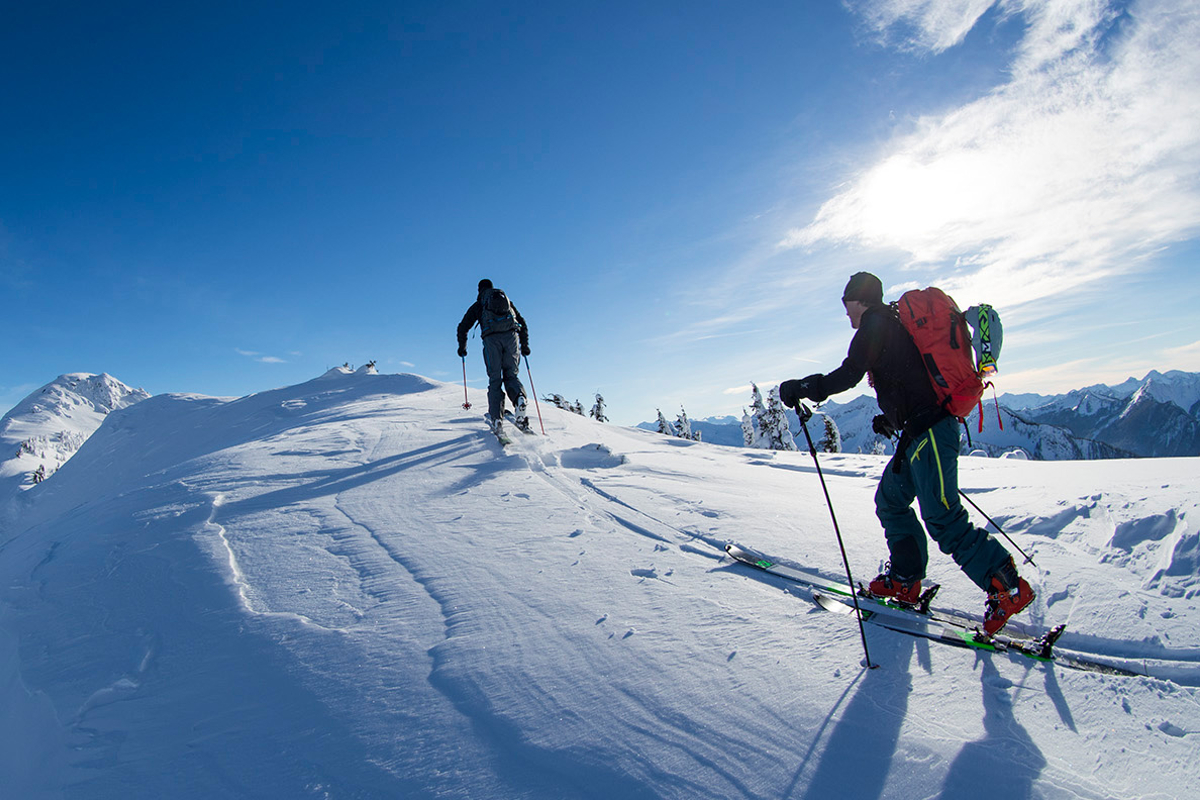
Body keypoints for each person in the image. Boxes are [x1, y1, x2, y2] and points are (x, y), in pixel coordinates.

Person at [779, 272, 1034, 636]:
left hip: (932, 432)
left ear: (859, 299)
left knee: (943, 518)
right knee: (891, 501)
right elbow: (907, 378)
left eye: (845, 303)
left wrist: (802, 387)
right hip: (917, 433)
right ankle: (904, 579)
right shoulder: (889, 324)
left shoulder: (875, 325)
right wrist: (891, 418)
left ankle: (1008, 588)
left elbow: (849, 374)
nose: (845, 312)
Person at [457, 279, 531, 431]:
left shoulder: (479, 305)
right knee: (511, 375)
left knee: (495, 379)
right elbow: (522, 323)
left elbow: (462, 326)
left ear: (479, 290)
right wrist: (524, 346)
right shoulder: (507, 302)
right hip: (511, 339)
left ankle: (497, 418)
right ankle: (519, 399)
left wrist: (462, 347)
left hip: (491, 341)